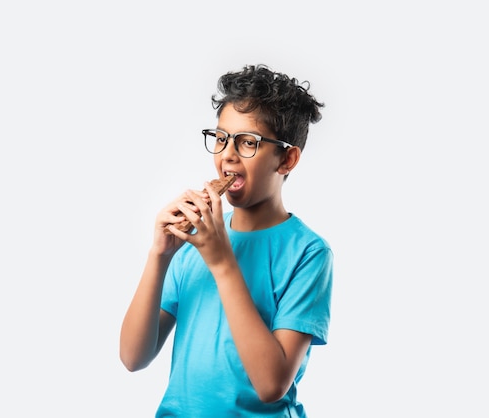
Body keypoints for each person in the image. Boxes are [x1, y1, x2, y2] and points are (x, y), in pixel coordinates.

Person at [120, 64, 333, 417]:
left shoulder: (308, 254)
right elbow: (132, 357)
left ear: (287, 159)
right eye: (221, 138)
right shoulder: (195, 239)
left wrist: (221, 260)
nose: (228, 154)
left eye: (248, 142)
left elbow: (270, 385)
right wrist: (159, 255)